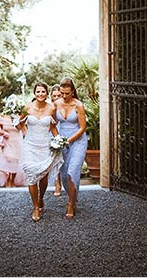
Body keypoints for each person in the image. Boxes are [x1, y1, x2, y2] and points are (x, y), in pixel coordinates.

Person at [18, 82, 64, 222]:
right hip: (30, 146)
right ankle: (36, 207)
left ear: (47, 93)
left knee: (43, 177)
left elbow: (53, 127)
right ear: (34, 93)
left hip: (44, 146)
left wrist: (59, 140)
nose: (40, 94)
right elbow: (19, 122)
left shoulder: (52, 108)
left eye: (43, 92)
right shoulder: (27, 107)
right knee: (32, 176)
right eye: (38, 92)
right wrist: (25, 132)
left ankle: (41, 198)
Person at [55, 77, 88, 219]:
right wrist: (58, 139)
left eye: (67, 93)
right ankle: (73, 197)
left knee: (72, 170)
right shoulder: (56, 104)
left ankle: (70, 204)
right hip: (62, 141)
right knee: (63, 174)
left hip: (78, 140)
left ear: (72, 91)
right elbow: (51, 125)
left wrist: (69, 140)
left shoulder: (78, 105)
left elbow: (82, 127)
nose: (64, 96)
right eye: (62, 93)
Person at [0, 114, 27, 188]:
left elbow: (22, 129)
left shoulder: (20, 116)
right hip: (6, 140)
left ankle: (12, 180)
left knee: (15, 160)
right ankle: (8, 178)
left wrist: (16, 120)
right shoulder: (2, 116)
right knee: (8, 159)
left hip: (16, 141)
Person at [49, 84, 64, 197]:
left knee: (65, 158)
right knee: (55, 159)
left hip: (64, 132)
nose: (57, 97)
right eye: (54, 95)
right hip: (52, 133)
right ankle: (57, 184)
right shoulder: (50, 107)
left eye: (59, 95)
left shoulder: (66, 107)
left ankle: (66, 183)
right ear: (51, 97)